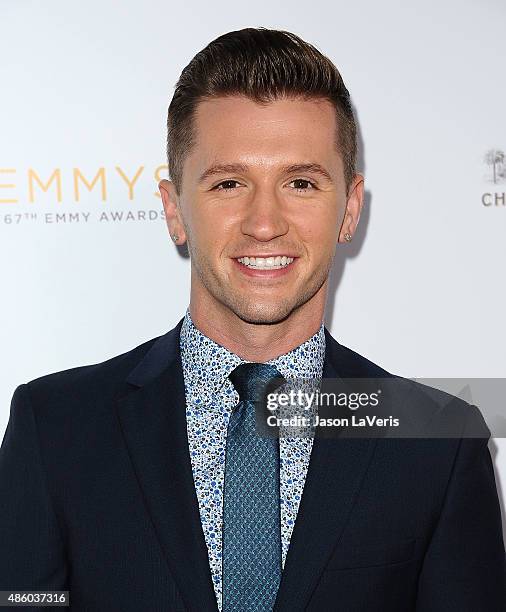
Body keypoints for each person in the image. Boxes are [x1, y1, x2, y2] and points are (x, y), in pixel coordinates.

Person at [1, 27, 504, 612]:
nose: (264, 222)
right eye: (230, 183)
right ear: (174, 210)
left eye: (300, 183)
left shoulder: (437, 444)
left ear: (351, 208)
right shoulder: (57, 427)